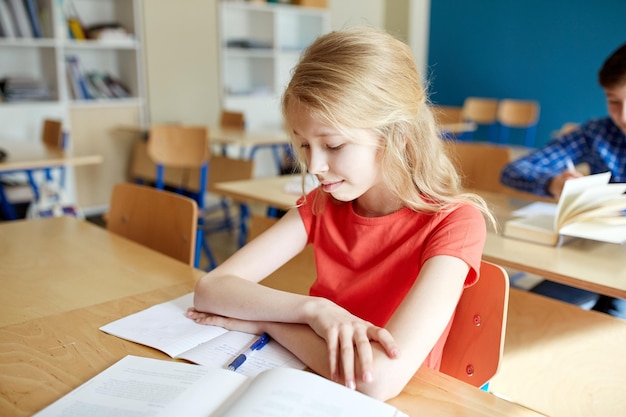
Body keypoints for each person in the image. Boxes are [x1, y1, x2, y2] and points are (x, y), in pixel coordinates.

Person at [187, 27, 494, 400]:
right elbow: (210, 290)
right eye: (303, 144)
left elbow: (375, 379)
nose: (314, 165)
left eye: (333, 145)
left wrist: (268, 321)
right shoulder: (323, 204)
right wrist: (314, 310)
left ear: (397, 136)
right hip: (312, 382)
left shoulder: (455, 222)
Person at [500, 41, 626, 319]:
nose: (624, 115)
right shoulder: (597, 132)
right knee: (526, 313)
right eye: (614, 102)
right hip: (588, 259)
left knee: (612, 321)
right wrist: (553, 183)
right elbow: (514, 170)